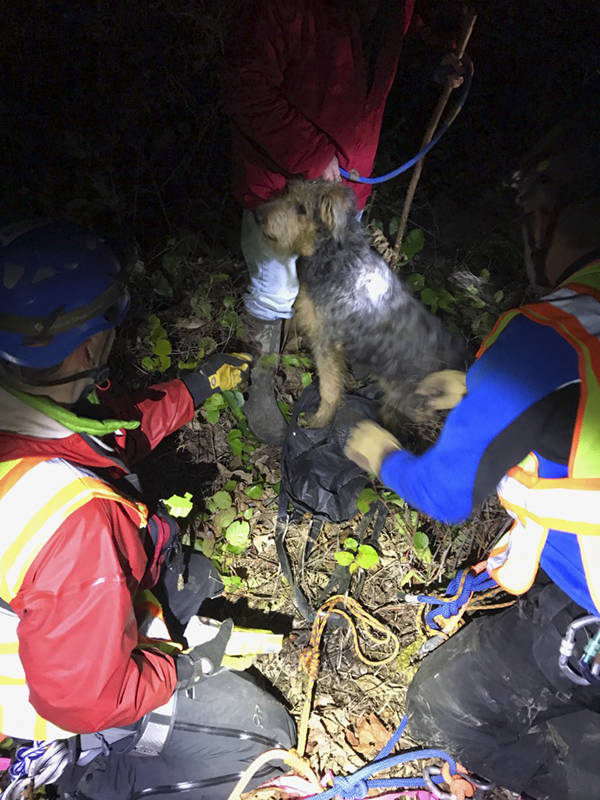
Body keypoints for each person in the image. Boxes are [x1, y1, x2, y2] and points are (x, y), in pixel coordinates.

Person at [344, 128, 600, 800]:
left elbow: (445, 495)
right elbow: (569, 426)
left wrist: (373, 446)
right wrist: (476, 394)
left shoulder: (550, 331)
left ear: (544, 218)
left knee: (447, 700)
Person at [0, 219, 295, 799]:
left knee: (192, 576)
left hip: (51, 626)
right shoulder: (77, 522)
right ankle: (80, 780)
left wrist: (198, 387)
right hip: (40, 706)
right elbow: (81, 699)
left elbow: (109, 435)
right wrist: (188, 666)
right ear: (88, 344)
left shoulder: (25, 409)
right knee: (263, 735)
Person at [220, 0, 463, 445]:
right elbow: (244, 88)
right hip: (283, 189)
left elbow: (406, 34)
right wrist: (312, 156)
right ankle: (260, 385)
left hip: (349, 184)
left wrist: (437, 62)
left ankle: (332, 372)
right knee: (275, 291)